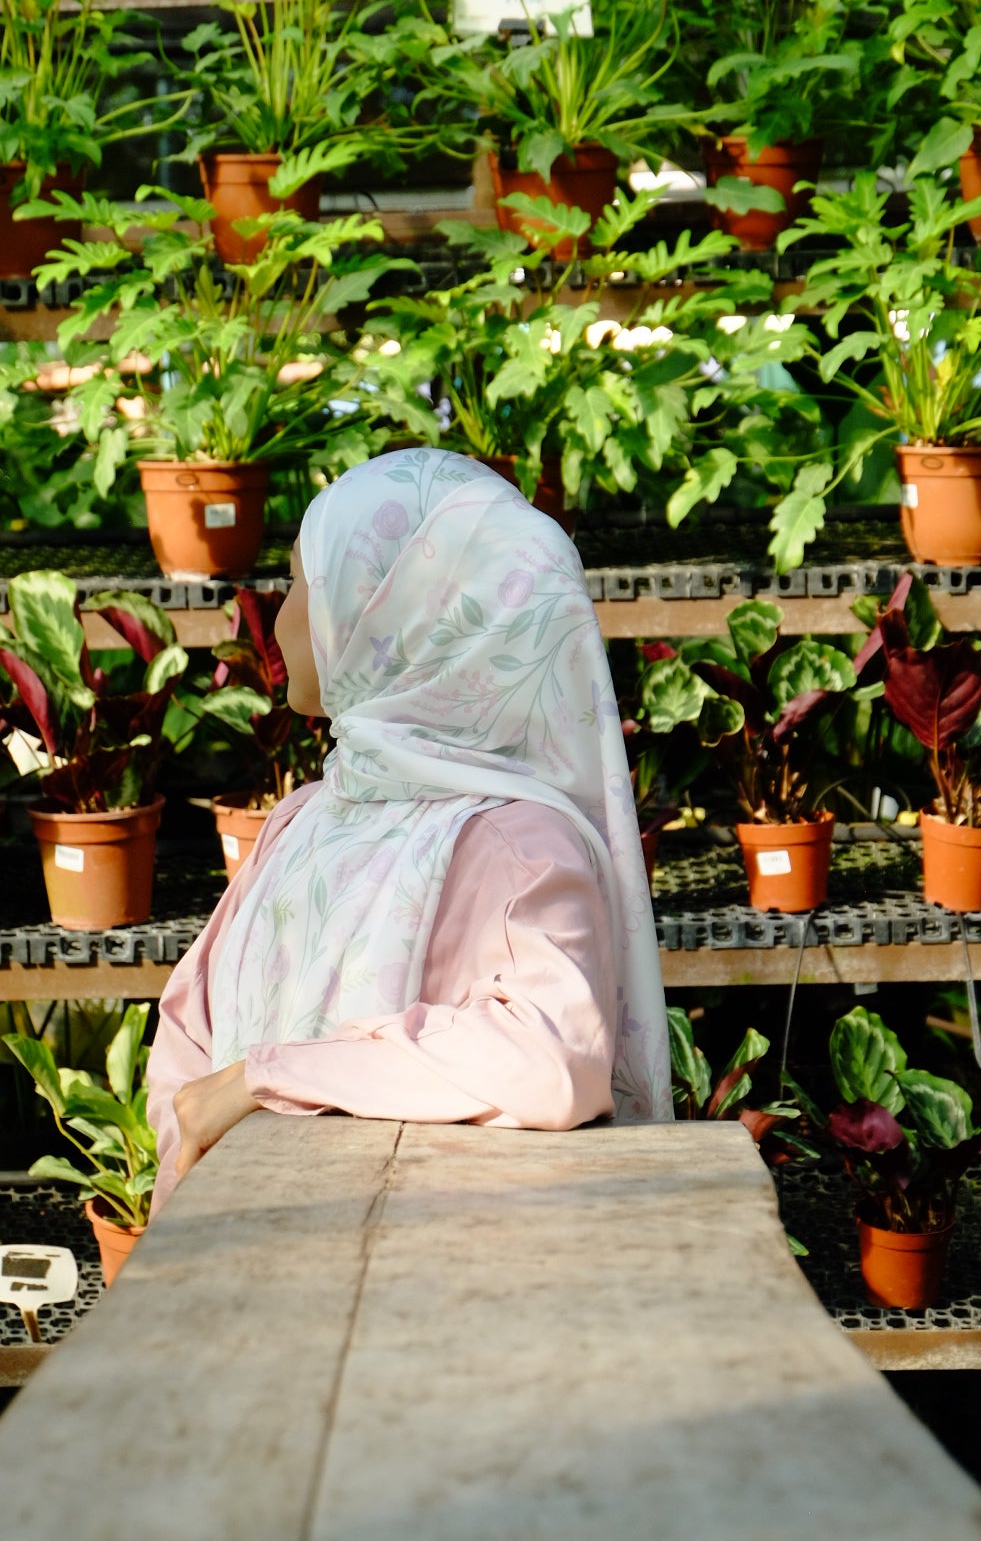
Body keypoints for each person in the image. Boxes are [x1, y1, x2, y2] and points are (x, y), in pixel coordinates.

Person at [146, 447, 671, 1215]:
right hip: (242, 1249)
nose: (283, 611)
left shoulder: (517, 846)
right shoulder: (307, 818)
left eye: (301, 581)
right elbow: (190, 1032)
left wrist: (270, 1076)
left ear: (389, 619)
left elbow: (551, 1059)